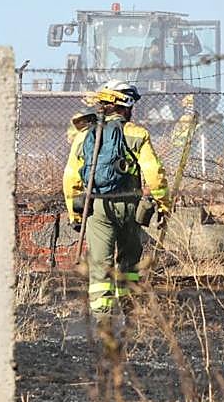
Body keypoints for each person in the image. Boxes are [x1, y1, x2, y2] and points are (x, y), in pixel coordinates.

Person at [63, 80, 171, 319]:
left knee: (100, 264)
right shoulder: (136, 133)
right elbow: (155, 173)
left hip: (96, 206)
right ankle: (130, 308)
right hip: (131, 205)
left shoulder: (83, 136)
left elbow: (71, 177)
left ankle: (103, 319)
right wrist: (164, 204)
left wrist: (75, 213)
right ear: (126, 106)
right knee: (130, 260)